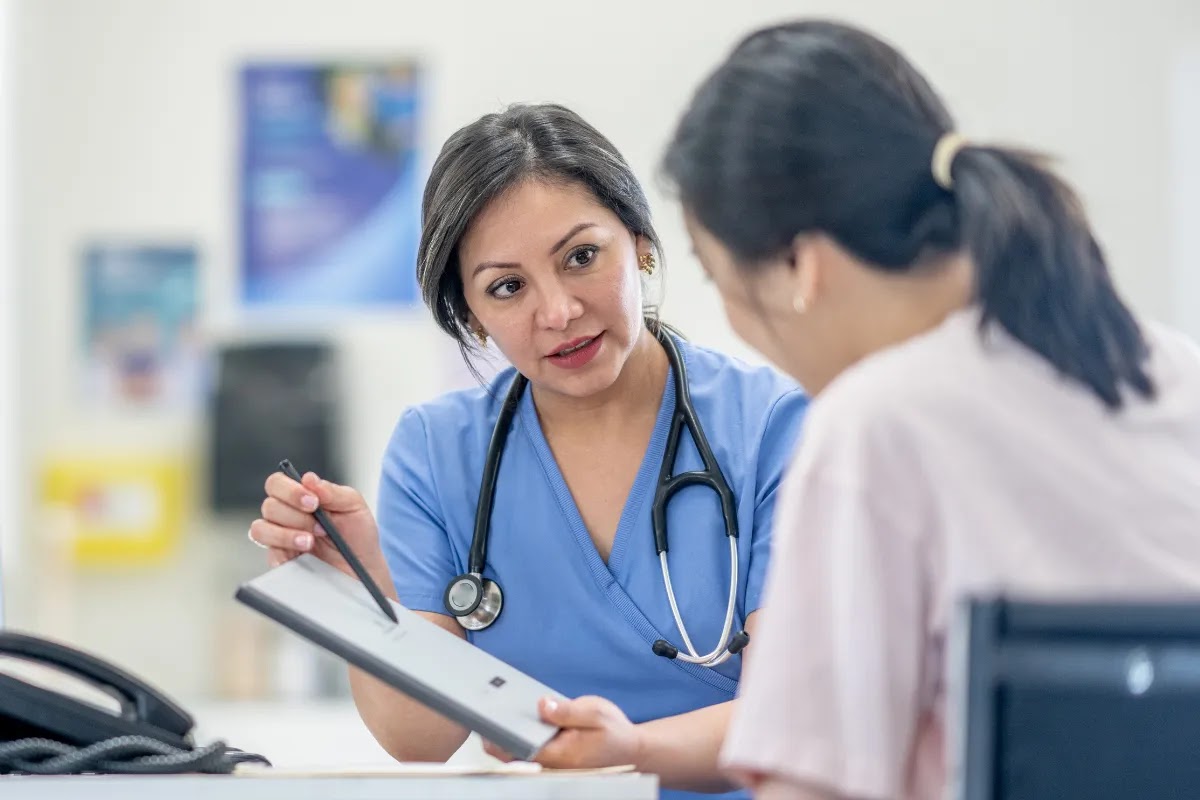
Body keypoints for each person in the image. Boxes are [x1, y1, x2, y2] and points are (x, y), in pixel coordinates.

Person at [661, 19, 1200, 800]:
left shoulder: (875, 429)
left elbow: (815, 791)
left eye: (716, 278)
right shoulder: (1174, 371)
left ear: (794, 266)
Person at [249, 103, 808, 800]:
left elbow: (799, 717)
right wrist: (368, 591)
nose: (558, 312)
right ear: (470, 314)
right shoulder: (436, 452)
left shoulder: (774, 427)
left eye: (581, 257)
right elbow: (420, 738)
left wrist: (634, 752)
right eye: (507, 287)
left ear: (640, 243)